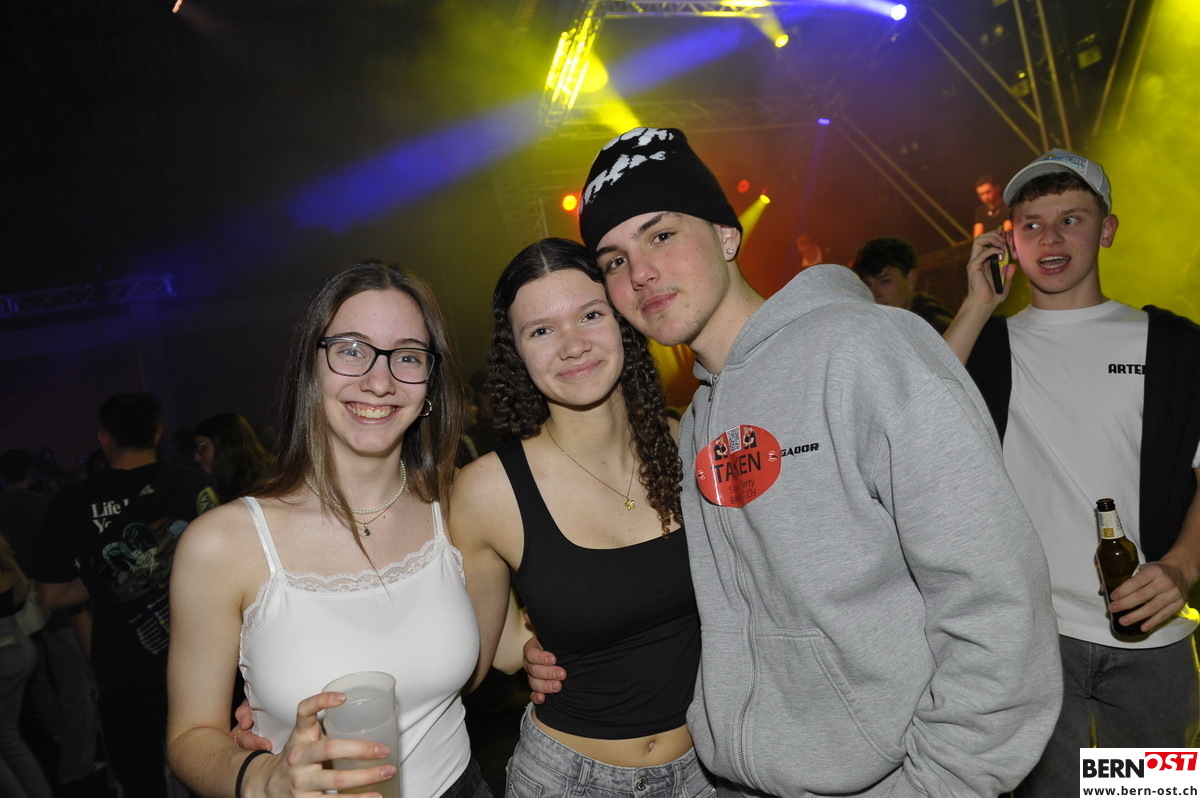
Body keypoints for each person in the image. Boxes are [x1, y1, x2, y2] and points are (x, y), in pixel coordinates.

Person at [526, 126, 1062, 796]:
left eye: (660, 234)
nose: (640, 274)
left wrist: (939, 785)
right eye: (613, 260)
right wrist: (558, 642)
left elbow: (999, 603)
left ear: (727, 234)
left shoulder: (864, 350)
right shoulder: (694, 425)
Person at [166, 261, 489, 798]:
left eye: (408, 356)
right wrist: (262, 777)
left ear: (430, 382)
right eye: (352, 350)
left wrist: (538, 651)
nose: (380, 381)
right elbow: (189, 736)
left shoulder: (460, 507)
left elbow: (497, 640)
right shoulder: (222, 545)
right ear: (310, 368)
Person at [942, 149, 1200, 796]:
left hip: (1151, 641)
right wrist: (976, 305)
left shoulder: (1176, 344)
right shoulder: (987, 346)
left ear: (1106, 230)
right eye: (1031, 224)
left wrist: (1182, 566)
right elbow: (915, 423)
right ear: (1008, 241)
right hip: (1028, 643)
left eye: (1071, 220)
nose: (1050, 239)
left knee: (1151, 795)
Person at [451, 238, 712, 797]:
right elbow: (475, 657)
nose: (572, 346)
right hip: (570, 780)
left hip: (711, 771)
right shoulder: (488, 491)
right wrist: (522, 651)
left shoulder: (686, 443)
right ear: (517, 354)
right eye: (541, 330)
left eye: (590, 315)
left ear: (623, 322)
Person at [34, 391, 218, 798]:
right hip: (200, 657)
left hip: (123, 666)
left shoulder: (71, 502)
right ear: (157, 434)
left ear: (104, 439)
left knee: (140, 780)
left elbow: (49, 596)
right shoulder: (192, 482)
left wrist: (105, 582)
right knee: (208, 771)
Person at [0, 534, 54, 798]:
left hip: (4, 654)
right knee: (8, 738)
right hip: (18, 640)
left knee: (7, 738)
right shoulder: (2, 548)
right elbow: (21, 593)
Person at [851, 236, 955, 332]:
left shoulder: (936, 329)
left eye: (884, 281)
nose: (874, 293)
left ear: (910, 279)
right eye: (867, 285)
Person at [193, 412, 275, 503]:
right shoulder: (231, 481)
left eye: (202, 447)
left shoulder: (266, 484)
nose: (196, 457)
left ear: (225, 444)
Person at [971, 174, 1012, 239]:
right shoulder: (980, 211)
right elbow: (977, 237)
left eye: (988, 192)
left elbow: (1007, 232)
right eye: (981, 194)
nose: (986, 197)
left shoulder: (1009, 206)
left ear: (997, 188)